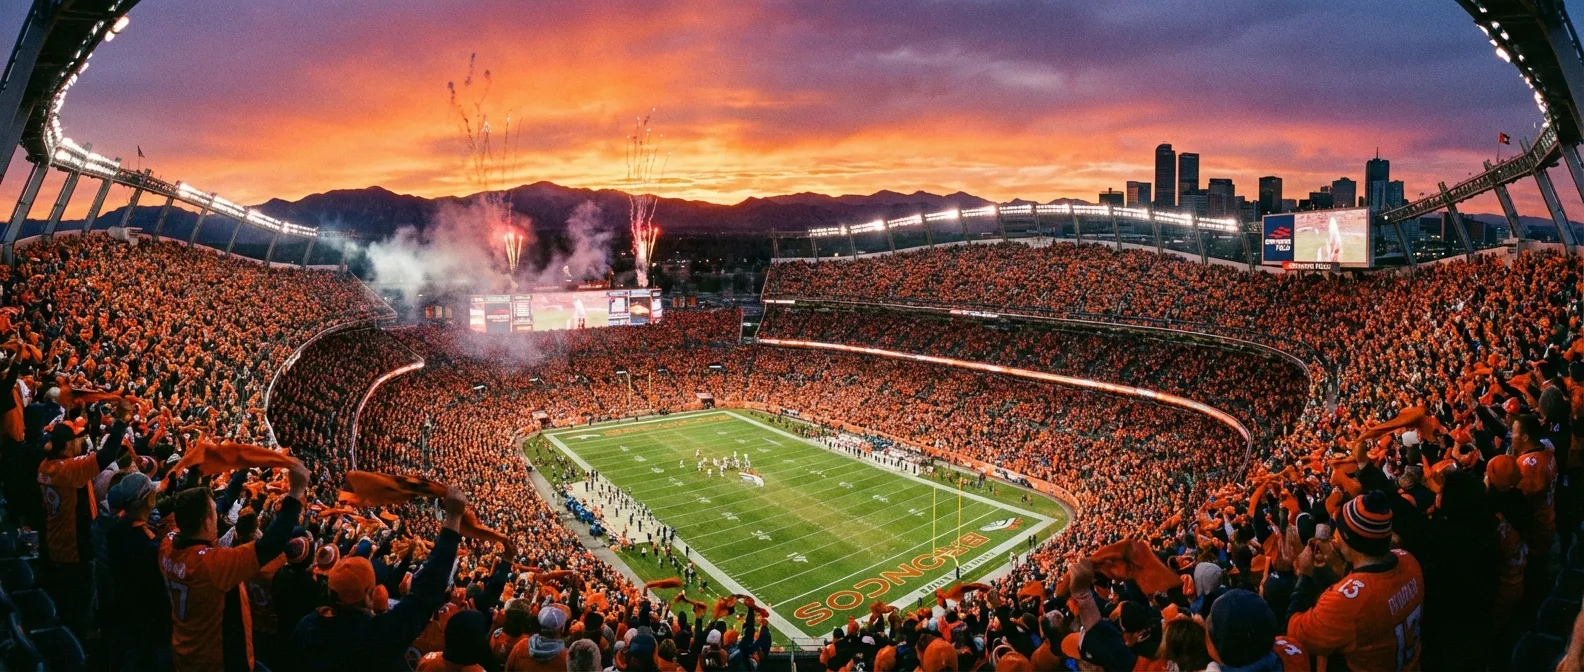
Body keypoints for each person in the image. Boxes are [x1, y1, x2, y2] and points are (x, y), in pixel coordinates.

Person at [293, 486, 473, 672]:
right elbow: (426, 592)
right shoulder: (378, 635)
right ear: (368, 596)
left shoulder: (307, 625)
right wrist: (453, 518)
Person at [160, 461, 308, 672]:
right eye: (213, 512)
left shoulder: (167, 544)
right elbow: (269, 545)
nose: (218, 514)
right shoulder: (213, 565)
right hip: (215, 658)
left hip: (183, 645)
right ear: (205, 522)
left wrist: (197, 469)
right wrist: (296, 493)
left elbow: (192, 506)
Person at [1286, 491, 1424, 671]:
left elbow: (1296, 634)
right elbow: (1371, 581)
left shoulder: (1345, 604)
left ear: (1347, 539)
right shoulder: (1409, 561)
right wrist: (1338, 566)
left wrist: (1305, 575)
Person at [38, 406, 131, 633]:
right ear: (67, 445)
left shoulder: (45, 465)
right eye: (78, 438)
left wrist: (94, 420)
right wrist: (120, 423)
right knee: (80, 602)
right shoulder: (69, 470)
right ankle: (81, 644)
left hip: (57, 539)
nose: (82, 441)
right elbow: (106, 455)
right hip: (75, 546)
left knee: (65, 595)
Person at [103, 471, 172, 672]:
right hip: (148, 618)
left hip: (124, 607)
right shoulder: (149, 543)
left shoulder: (116, 529)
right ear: (146, 500)